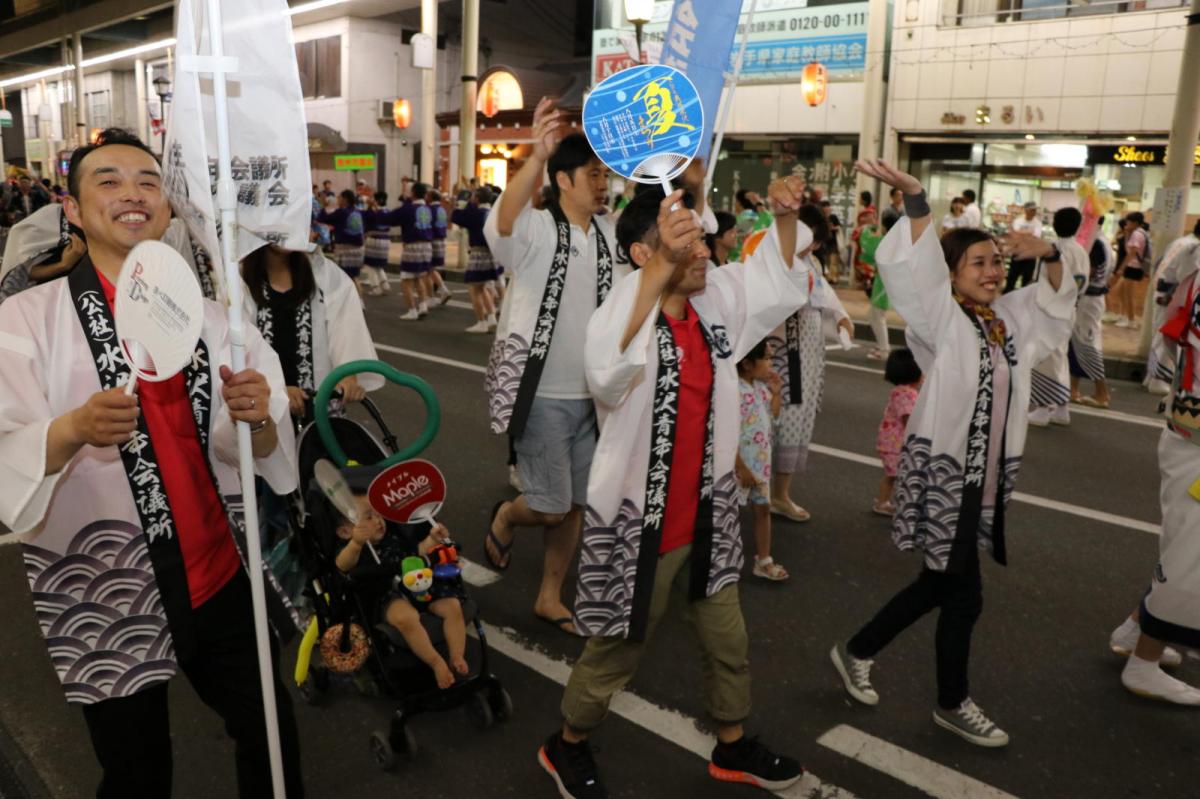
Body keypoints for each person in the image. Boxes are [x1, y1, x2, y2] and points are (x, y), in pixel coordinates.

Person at [0, 128, 304, 797]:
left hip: (217, 571)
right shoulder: (25, 320)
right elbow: (6, 448)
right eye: (108, 181)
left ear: (166, 209)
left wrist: (259, 417)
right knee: (137, 771)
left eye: (148, 182)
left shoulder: (217, 322)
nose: (132, 194)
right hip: (108, 588)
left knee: (271, 734)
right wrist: (72, 430)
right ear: (73, 209)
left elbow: (255, 453)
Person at [538, 177, 815, 799]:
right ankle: (567, 743)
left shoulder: (714, 303)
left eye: (702, 241)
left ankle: (732, 742)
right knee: (618, 645)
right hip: (643, 518)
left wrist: (783, 218)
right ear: (645, 252)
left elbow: (773, 279)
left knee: (728, 639)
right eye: (687, 243)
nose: (705, 253)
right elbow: (605, 374)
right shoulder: (622, 312)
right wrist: (667, 257)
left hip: (708, 511)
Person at [830, 158, 1076, 749]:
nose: (992, 271)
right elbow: (914, 275)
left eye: (996, 260)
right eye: (978, 263)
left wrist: (1049, 253)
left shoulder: (1005, 321)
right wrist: (917, 199)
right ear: (952, 274)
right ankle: (951, 701)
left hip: (981, 478)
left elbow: (1055, 303)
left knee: (939, 584)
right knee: (962, 593)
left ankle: (858, 650)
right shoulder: (942, 320)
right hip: (948, 476)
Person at [482, 99, 626, 635]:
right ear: (564, 180)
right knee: (549, 506)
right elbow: (502, 223)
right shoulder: (538, 230)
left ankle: (549, 596)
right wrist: (536, 156)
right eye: (594, 175)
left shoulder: (610, 236)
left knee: (577, 505)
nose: (603, 184)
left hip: (596, 396)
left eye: (605, 175)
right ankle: (507, 515)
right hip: (541, 392)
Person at [1109, 246, 1200, 705]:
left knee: (1183, 547)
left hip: (1188, 430)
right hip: (1196, 442)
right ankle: (1143, 663)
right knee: (1190, 558)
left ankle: (1135, 630)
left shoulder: (1194, 264)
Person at [766, 205, 850, 523]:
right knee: (779, 421)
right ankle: (769, 494)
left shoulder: (810, 262)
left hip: (807, 355)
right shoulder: (777, 260)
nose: (810, 246)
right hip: (786, 354)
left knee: (796, 421)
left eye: (814, 241)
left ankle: (778, 493)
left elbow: (826, 298)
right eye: (807, 238)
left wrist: (841, 317)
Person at [333, 492, 468, 690]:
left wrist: (432, 539)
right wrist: (356, 543)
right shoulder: (351, 548)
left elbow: (415, 553)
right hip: (383, 594)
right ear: (346, 531)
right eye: (369, 517)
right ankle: (436, 662)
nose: (378, 521)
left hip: (415, 583)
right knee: (406, 617)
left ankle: (456, 655)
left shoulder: (392, 538)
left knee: (452, 605)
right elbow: (342, 565)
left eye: (379, 514)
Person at [242, 243, 381, 420]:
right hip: (265, 416)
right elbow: (237, 350)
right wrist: (276, 388)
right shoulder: (238, 280)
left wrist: (347, 376)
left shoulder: (325, 273)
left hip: (321, 414)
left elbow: (346, 329)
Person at [1025, 208, 1089, 428]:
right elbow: (1082, 281)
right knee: (1060, 356)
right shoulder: (1080, 250)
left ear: (1054, 224)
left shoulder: (1054, 249)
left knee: (1046, 357)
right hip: (1070, 308)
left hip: (1050, 308)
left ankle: (1044, 408)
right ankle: (1062, 408)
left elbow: (1044, 281)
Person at [736, 340, 787, 580]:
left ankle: (764, 560)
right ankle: (720, 560)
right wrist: (741, 467)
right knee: (728, 512)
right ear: (747, 364)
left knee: (763, 510)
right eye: (766, 359)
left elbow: (773, 418)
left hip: (760, 464)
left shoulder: (760, 388)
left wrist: (776, 394)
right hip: (740, 467)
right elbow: (725, 434)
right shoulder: (733, 390)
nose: (770, 364)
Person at [1144, 220, 1200, 395]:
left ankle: (1152, 377)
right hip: (1173, 296)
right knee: (1168, 337)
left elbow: (1160, 264)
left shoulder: (1182, 241)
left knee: (1160, 336)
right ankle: (1158, 380)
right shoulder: (1194, 248)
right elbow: (1185, 277)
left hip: (1164, 292)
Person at [1069, 225, 1115, 408]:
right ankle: (1073, 389)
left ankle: (1102, 392)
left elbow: (1090, 271)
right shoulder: (1103, 241)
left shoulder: (1095, 243)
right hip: (1093, 298)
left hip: (1089, 299)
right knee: (1078, 343)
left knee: (1088, 345)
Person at [874, 348, 922, 516]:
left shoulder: (901, 391)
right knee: (897, 475)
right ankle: (885, 503)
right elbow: (908, 418)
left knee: (893, 475)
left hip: (891, 442)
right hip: (895, 444)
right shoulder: (907, 394)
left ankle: (883, 501)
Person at [452, 186, 500, 333]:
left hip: (479, 253)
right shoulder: (493, 213)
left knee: (474, 288)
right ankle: (491, 317)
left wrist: (464, 204)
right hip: (492, 253)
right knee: (483, 286)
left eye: (473, 196)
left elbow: (456, 217)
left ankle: (481, 322)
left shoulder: (476, 213)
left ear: (477, 199)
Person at [396, 182, 436, 321]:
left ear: (412, 193)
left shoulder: (409, 208)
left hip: (412, 247)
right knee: (419, 277)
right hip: (427, 247)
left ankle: (412, 310)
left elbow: (392, 218)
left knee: (406, 279)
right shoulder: (429, 209)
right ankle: (423, 306)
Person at [317, 189, 366, 291]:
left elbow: (322, 218)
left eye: (339, 197)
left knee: (346, 278)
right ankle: (359, 299)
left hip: (346, 251)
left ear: (345, 199)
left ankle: (355, 299)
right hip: (358, 250)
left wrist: (322, 205)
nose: (338, 199)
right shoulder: (357, 211)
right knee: (353, 277)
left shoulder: (342, 212)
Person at [1109, 211, 1148, 328]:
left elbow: (1131, 253)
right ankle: (1124, 316)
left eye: (1129, 222)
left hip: (1133, 267)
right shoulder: (1139, 232)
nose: (1127, 224)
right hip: (1132, 266)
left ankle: (1131, 320)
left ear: (1136, 223)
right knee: (1121, 291)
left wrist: (1122, 268)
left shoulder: (1137, 234)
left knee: (1128, 295)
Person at [1005, 202, 1042, 292]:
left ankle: (1024, 298)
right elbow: (1015, 236)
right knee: (1012, 277)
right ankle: (1007, 295)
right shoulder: (1018, 221)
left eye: (1035, 210)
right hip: (1018, 252)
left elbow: (1036, 237)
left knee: (1027, 280)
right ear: (1026, 210)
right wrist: (1029, 233)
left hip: (1030, 255)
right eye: (1032, 210)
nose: (1034, 212)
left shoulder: (1038, 223)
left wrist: (1021, 233)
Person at [427, 189, 454, 306]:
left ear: (431, 198)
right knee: (432, 268)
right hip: (441, 240)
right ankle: (442, 290)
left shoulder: (429, 209)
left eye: (427, 195)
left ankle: (434, 295)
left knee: (428, 269)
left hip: (432, 241)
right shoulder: (442, 209)